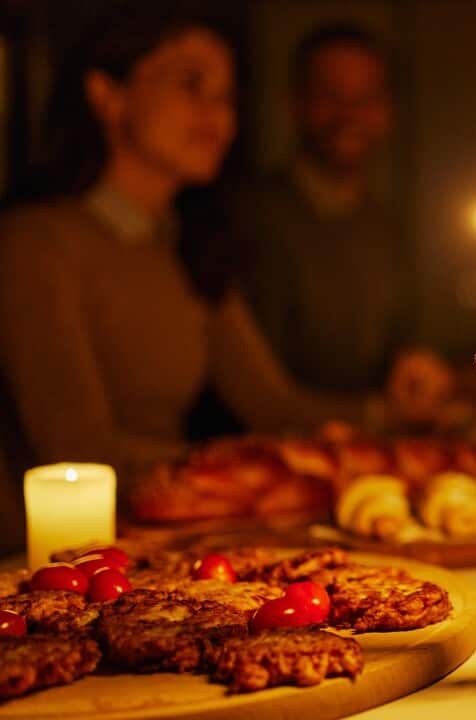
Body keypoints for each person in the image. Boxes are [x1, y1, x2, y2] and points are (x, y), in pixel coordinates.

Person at [0, 13, 429, 495]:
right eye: (192, 85)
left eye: (226, 96)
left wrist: (396, 413)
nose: (219, 116)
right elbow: (78, 452)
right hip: (52, 557)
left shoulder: (186, 241)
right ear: (107, 95)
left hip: (164, 525)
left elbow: (271, 404)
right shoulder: (37, 243)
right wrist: (245, 466)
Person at [234, 22, 452, 406]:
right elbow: (259, 396)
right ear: (294, 103)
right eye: (330, 95)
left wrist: (421, 375)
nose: (349, 114)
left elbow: (405, 347)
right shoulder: (249, 221)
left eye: (366, 98)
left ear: (387, 111)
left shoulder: (386, 227)